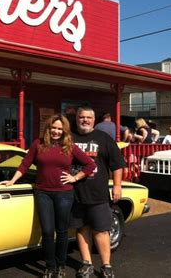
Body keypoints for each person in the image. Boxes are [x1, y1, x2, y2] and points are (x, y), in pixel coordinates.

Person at [0, 114, 96, 278]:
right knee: (48, 231)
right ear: (48, 128)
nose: (56, 131)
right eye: (54, 128)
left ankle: (61, 266)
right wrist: (12, 181)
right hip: (42, 193)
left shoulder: (69, 146)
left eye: (60, 129)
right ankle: (50, 267)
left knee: (62, 231)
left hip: (64, 194)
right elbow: (25, 164)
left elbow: (90, 164)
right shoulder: (38, 144)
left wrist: (75, 177)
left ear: (64, 130)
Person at [71, 106, 125, 278]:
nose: (85, 120)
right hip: (74, 193)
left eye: (88, 117)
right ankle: (86, 263)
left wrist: (117, 185)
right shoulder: (69, 137)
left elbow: (117, 164)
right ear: (77, 118)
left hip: (98, 193)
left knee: (101, 230)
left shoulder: (104, 138)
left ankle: (106, 265)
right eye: (81, 117)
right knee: (81, 228)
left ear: (94, 120)